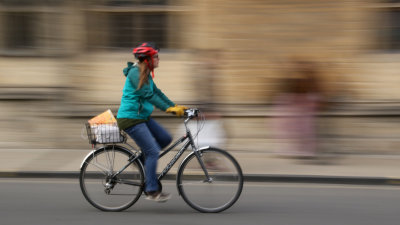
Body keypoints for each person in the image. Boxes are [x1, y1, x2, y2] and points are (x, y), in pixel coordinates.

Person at [116, 42, 187, 202]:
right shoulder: (135, 73)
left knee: (165, 138)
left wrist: (174, 106)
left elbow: (157, 92)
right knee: (153, 151)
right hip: (130, 119)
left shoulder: (145, 72)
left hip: (141, 117)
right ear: (147, 59)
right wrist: (168, 109)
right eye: (156, 56)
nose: (158, 59)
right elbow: (149, 96)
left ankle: (141, 163)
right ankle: (151, 190)